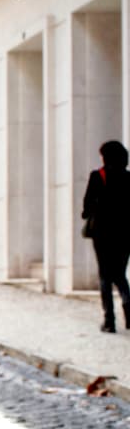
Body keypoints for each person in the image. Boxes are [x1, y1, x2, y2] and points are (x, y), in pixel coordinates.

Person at [81, 140, 130, 333]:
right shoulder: (128, 178)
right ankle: (128, 307)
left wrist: (90, 212)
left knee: (105, 275)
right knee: (120, 274)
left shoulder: (98, 176)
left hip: (102, 234)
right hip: (125, 233)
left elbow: (87, 206)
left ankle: (109, 320)